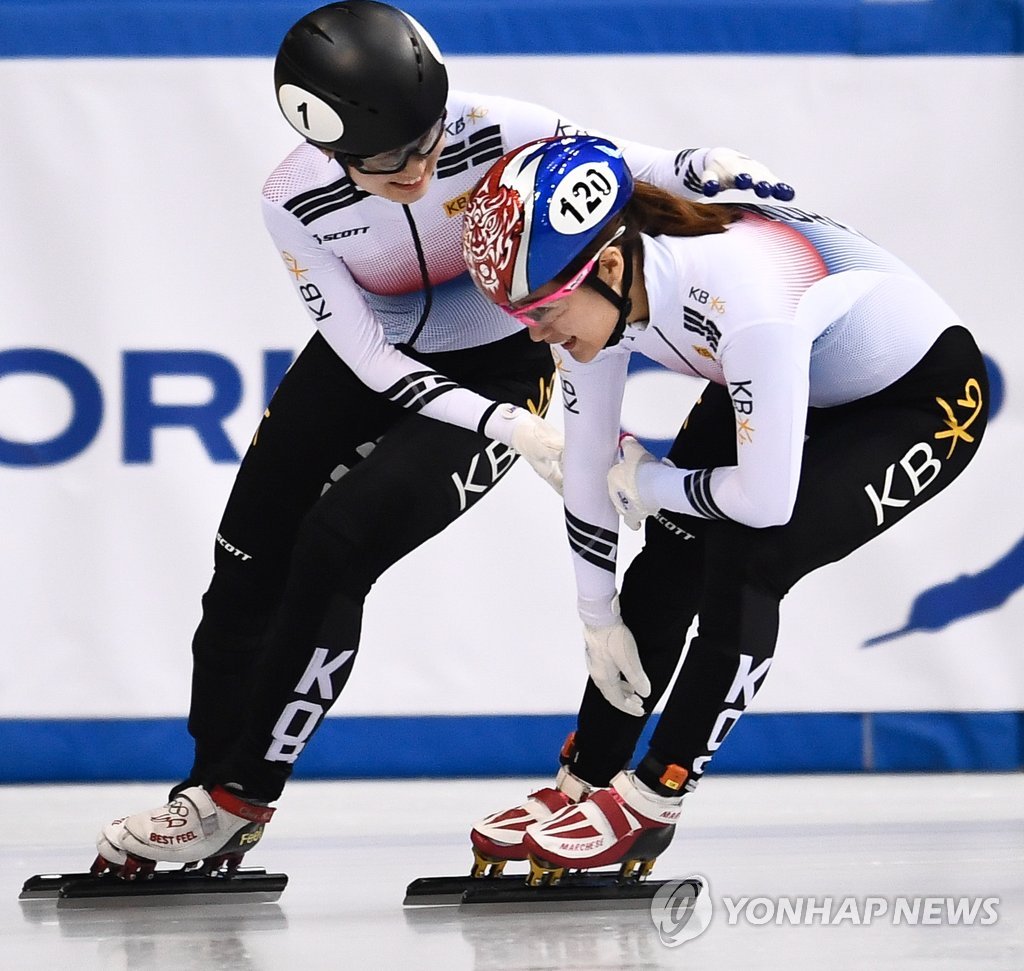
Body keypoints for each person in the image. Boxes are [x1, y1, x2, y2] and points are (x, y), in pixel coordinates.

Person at [91, 2, 794, 877]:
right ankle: (208, 797)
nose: (421, 171)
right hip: (372, 361)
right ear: (332, 149)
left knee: (339, 544)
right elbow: (372, 360)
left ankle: (241, 792)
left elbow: (636, 165)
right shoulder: (290, 199)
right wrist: (504, 429)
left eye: (430, 143)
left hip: (505, 360)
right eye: (390, 164)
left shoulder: (498, 127)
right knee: (243, 561)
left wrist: (705, 164)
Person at [462, 135, 988, 880]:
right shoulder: (605, 285)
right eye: (520, 315)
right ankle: (588, 775)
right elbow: (588, 464)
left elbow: (764, 503)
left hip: (917, 396)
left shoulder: (746, 299)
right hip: (802, 369)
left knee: (749, 556)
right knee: (667, 557)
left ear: (608, 267)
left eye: (543, 311)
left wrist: (649, 485)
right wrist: (596, 614)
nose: (536, 334)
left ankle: (655, 796)